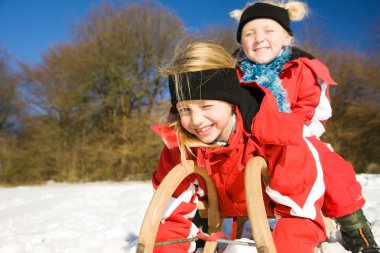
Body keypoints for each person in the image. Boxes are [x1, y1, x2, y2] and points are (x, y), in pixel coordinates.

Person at [230, 1, 379, 252]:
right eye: (249, 33)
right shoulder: (233, 74)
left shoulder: (301, 68)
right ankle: (201, 218)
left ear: (287, 36)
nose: (259, 38)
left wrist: (279, 129)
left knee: (331, 168)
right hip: (247, 141)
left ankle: (355, 227)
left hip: (295, 137)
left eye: (269, 31)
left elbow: (306, 110)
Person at [152, 41, 326, 253]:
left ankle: (352, 224)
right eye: (185, 109)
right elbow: (170, 218)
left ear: (231, 99)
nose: (196, 121)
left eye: (206, 106)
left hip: (275, 206)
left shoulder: (274, 135)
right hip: (219, 208)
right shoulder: (180, 148)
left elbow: (299, 213)